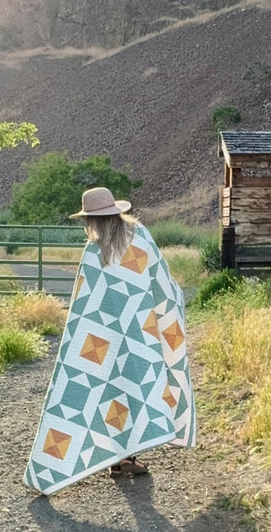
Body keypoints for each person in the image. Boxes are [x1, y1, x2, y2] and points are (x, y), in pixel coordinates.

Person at [23, 187, 196, 495]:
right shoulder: (139, 237)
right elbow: (161, 283)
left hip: (100, 340)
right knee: (135, 389)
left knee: (110, 391)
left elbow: (81, 306)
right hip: (140, 336)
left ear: (93, 220)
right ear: (116, 212)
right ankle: (126, 456)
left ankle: (120, 458)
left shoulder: (94, 251)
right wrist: (171, 306)